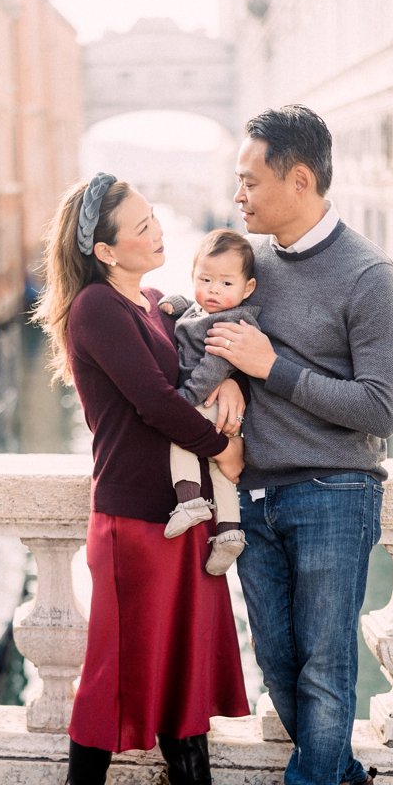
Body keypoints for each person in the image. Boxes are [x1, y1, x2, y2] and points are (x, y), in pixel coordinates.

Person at [201, 105, 393, 785]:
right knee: (282, 667)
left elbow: (381, 409)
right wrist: (219, 374)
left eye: (250, 179)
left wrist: (272, 367)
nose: (239, 193)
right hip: (255, 494)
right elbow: (197, 324)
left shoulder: (368, 277)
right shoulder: (246, 262)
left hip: (335, 493)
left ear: (300, 178)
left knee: (327, 673)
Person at [32, 173, 271, 785]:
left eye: (152, 219)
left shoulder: (149, 306)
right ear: (105, 250)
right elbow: (155, 403)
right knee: (117, 663)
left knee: (185, 657)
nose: (156, 231)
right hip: (133, 518)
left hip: (179, 512)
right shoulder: (98, 311)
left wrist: (226, 376)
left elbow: (191, 361)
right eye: (140, 227)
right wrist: (226, 446)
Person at [156, 229, 263, 576]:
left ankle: (189, 501)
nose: (214, 290)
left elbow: (210, 369)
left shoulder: (232, 323)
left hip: (204, 398)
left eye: (225, 284)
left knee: (181, 442)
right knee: (221, 471)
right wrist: (181, 304)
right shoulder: (210, 310)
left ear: (247, 289)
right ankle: (229, 531)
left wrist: (183, 405)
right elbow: (196, 314)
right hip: (216, 405)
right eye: (205, 279)